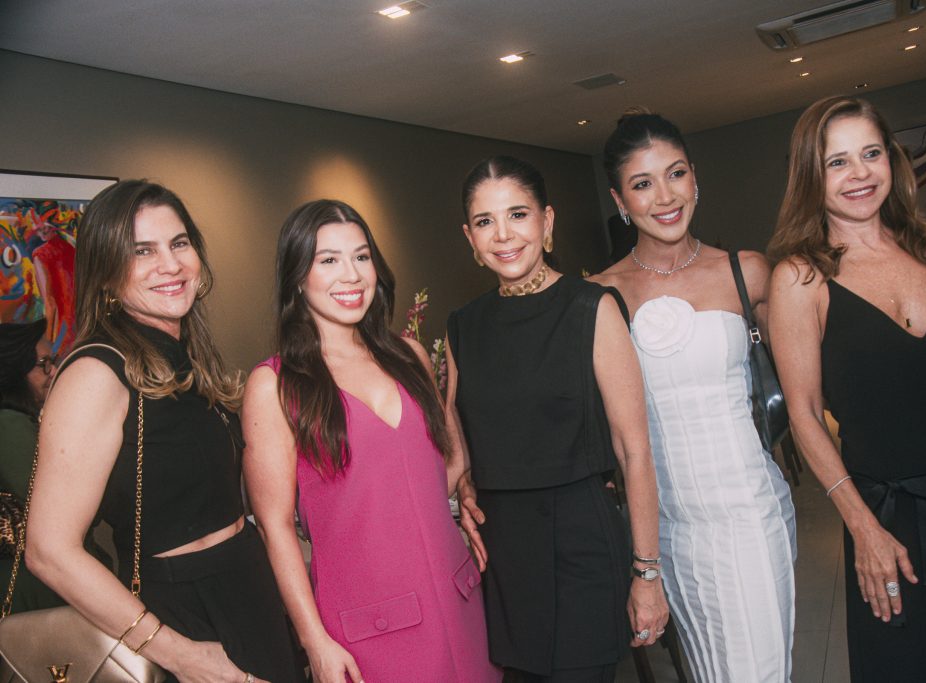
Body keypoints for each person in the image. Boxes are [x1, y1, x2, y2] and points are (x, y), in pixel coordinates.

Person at [768, 96, 926, 682]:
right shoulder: (801, 278)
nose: (859, 174)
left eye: (871, 154)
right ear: (811, 174)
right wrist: (861, 526)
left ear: (892, 160)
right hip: (899, 522)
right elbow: (804, 414)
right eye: (837, 162)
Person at [24, 180, 304, 682]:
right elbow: (49, 551)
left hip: (246, 587)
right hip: (188, 614)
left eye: (178, 243)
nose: (170, 265)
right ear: (106, 276)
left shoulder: (181, 359)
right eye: (141, 252)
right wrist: (184, 656)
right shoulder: (96, 371)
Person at [243, 199, 500, 683]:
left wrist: (458, 496)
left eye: (362, 257)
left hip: (458, 600)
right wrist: (313, 640)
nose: (352, 275)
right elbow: (275, 526)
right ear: (298, 276)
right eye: (328, 260)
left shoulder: (411, 356)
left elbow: (434, 471)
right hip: (369, 628)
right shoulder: (275, 385)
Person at [590, 109, 796, 683]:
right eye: (642, 183)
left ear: (695, 177)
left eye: (675, 173)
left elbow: (809, 383)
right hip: (665, 527)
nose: (664, 196)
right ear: (619, 199)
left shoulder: (745, 272)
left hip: (748, 513)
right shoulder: (596, 296)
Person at [449, 156, 669, 682]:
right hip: (503, 554)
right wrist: (460, 489)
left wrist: (647, 574)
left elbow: (634, 451)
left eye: (518, 215)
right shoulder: (464, 326)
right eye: (485, 222)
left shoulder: (591, 308)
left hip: (580, 544)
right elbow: (451, 435)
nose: (503, 234)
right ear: (470, 238)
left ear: (547, 222)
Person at [0, 318, 64, 613]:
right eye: (45, 363)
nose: (54, 372)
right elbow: (52, 505)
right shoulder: (9, 425)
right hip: (28, 594)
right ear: (16, 369)